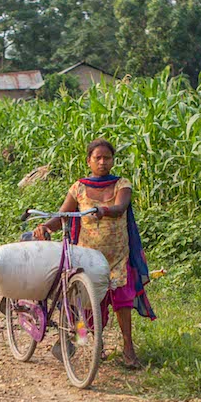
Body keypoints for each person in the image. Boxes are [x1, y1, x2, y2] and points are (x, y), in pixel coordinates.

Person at [33, 138, 155, 368]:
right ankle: (85, 343)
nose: (102, 162)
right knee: (84, 305)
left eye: (106, 158)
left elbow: (120, 208)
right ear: (88, 160)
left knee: (123, 302)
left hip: (118, 256)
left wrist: (103, 210)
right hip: (87, 257)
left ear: (112, 160)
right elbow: (63, 216)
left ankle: (129, 349)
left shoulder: (122, 184)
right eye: (97, 158)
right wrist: (47, 227)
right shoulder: (78, 187)